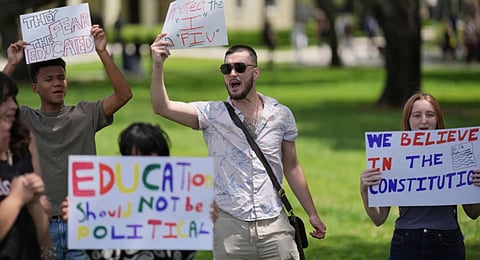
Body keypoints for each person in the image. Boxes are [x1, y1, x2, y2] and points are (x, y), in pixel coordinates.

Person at [149, 35, 327, 259]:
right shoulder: (211, 114)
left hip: (274, 224)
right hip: (230, 227)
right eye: (226, 68)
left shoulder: (281, 114)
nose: (232, 73)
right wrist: (157, 64)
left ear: (255, 72)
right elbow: (161, 107)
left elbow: (292, 167)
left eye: (239, 67)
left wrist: (312, 213)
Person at [3, 24, 133, 259]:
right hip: (42, 225)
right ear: (34, 87)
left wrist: (102, 51)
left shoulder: (85, 114)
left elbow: (124, 95)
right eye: (49, 79)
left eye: (61, 78)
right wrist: (12, 64)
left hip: (82, 222)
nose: (57, 83)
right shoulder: (25, 119)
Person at [360, 92, 480, 260]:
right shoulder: (393, 154)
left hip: (447, 241)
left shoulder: (457, 150)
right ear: (408, 120)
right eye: (416, 115)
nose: (423, 121)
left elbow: (473, 212)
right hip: (406, 241)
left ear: (438, 119)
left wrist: (477, 188)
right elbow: (378, 218)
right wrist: (365, 190)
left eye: (430, 115)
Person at [60, 122, 196, 260]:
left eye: (145, 156)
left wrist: (200, 217)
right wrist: (80, 220)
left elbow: (186, 251)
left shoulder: (179, 200)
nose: (137, 164)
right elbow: (99, 253)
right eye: (129, 157)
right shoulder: (107, 200)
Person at [0, 72, 54, 259]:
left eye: (13, 98)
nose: (13, 106)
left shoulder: (23, 140)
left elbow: (39, 205)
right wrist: (16, 198)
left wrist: (47, 251)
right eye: (4, 100)